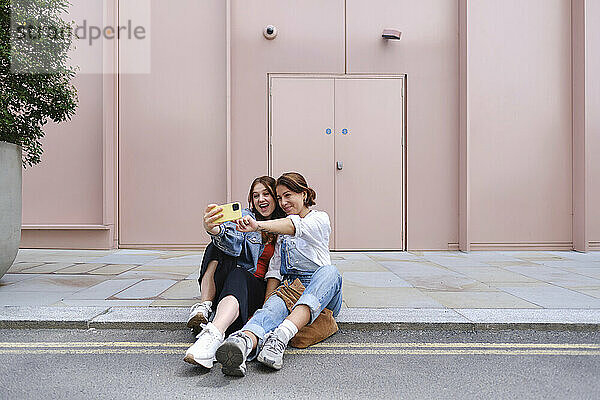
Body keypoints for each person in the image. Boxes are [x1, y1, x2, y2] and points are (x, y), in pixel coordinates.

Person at [214, 172, 342, 377]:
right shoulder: (281, 231)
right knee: (271, 308)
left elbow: (295, 226)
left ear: (304, 194)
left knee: (331, 272)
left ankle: (281, 336)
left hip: (322, 291)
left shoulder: (319, 218)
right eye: (280, 197)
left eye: (288, 195)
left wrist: (257, 225)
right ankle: (244, 344)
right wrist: (267, 305)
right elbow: (274, 270)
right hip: (292, 288)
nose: (283, 202)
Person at [184, 176, 285, 368]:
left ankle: (211, 336)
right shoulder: (247, 217)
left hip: (255, 290)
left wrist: (266, 310)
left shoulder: (283, 225)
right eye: (255, 195)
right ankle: (205, 308)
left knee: (239, 273)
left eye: (266, 194)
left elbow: (277, 273)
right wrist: (214, 230)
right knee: (216, 246)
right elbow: (231, 235)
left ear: (275, 197)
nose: (260, 199)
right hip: (234, 284)